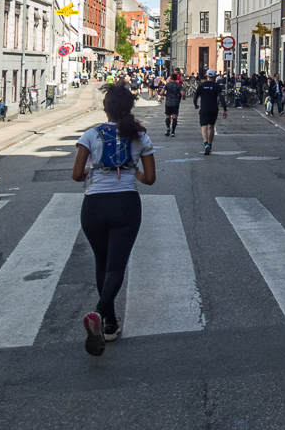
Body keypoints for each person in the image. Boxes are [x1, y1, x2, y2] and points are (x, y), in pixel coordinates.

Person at [71, 82, 155, 356]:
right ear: (130, 108)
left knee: (101, 263)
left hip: (94, 204)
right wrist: (133, 172)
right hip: (126, 203)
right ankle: (98, 314)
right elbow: (150, 179)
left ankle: (109, 322)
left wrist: (92, 173)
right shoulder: (140, 136)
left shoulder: (91, 135)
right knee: (116, 267)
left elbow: (76, 174)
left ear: (106, 109)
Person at [193, 70, 222, 155]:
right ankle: (210, 144)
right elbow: (221, 98)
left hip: (204, 108)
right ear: (214, 76)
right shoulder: (217, 86)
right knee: (211, 127)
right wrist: (225, 109)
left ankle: (205, 144)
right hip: (214, 108)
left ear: (206, 76)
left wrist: (195, 104)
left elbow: (196, 96)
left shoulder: (201, 85)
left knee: (204, 127)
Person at [163, 71, 184, 136]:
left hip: (168, 102)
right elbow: (182, 93)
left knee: (167, 116)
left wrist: (165, 95)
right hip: (175, 102)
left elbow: (161, 92)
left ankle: (168, 127)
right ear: (176, 79)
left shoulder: (167, 85)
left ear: (171, 78)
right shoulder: (179, 85)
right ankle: (173, 132)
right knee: (175, 117)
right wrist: (183, 97)